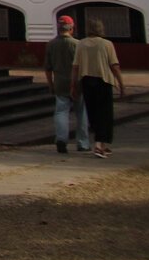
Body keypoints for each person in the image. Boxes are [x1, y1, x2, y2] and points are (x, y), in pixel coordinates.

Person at [71, 17, 127, 158]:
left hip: (87, 81)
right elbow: (114, 65)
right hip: (103, 81)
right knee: (105, 113)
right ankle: (99, 144)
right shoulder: (107, 44)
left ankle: (101, 143)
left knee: (93, 112)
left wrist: (74, 84)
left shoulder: (81, 44)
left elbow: (76, 67)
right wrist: (121, 83)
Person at [45, 15, 91, 154]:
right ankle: (83, 142)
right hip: (77, 83)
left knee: (61, 112)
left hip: (59, 82)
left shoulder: (51, 44)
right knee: (81, 113)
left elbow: (48, 68)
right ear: (71, 28)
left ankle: (61, 139)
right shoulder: (77, 44)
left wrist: (50, 84)